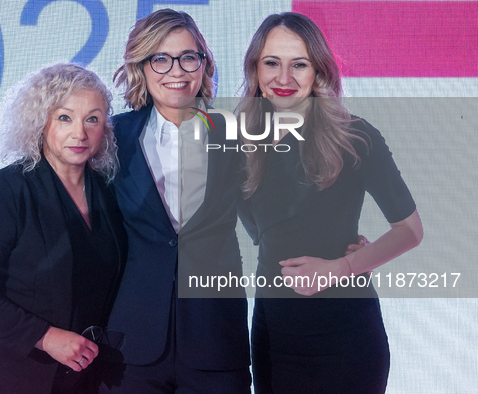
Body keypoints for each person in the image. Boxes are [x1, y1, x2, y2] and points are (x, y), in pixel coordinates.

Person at [237, 12, 423, 394]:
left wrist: (343, 265)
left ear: (319, 70)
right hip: (274, 334)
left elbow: (409, 230)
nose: (283, 78)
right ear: (255, 69)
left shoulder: (356, 136)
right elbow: (263, 235)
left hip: (347, 337)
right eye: (271, 62)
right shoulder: (238, 144)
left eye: (299, 64)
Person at [0, 62, 127, 394]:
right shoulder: (6, 190)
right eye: (65, 118)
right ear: (41, 122)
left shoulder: (107, 192)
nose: (80, 133)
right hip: (7, 376)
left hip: (81, 380)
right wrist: (45, 337)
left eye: (93, 119)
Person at [98, 8, 251, 393]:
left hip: (217, 339)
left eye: (188, 57)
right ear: (142, 66)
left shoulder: (237, 134)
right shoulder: (112, 137)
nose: (177, 72)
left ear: (204, 63)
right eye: (161, 59)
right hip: (131, 346)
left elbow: (272, 210)